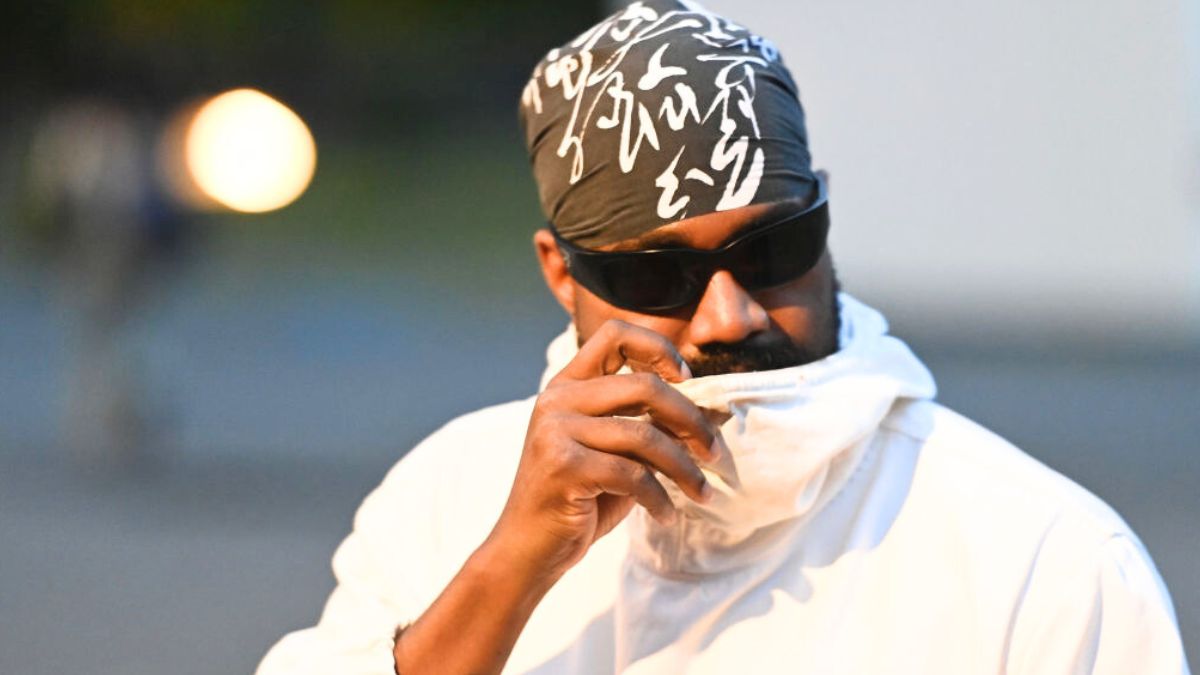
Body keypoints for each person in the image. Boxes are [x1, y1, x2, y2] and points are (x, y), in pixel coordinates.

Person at [258, 2, 1189, 673]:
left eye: (774, 247)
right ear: (560, 273)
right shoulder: (442, 501)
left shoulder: (1043, 560)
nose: (728, 316)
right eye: (655, 277)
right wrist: (509, 566)